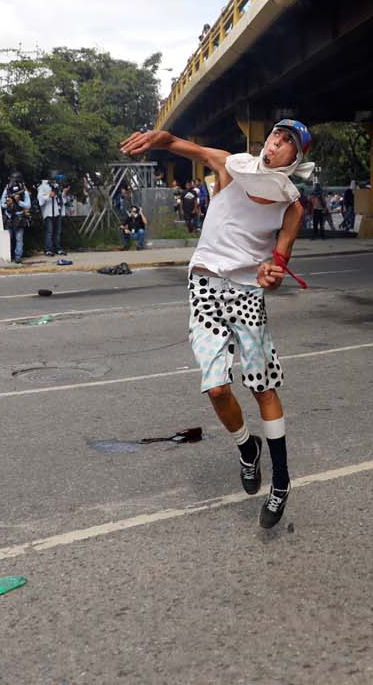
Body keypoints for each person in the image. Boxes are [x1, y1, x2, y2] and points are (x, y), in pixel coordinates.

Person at [119, 119, 314, 528]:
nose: (275, 144)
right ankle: (247, 448)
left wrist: (270, 274)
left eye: (287, 143)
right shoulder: (230, 166)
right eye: (275, 136)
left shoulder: (291, 207)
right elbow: (176, 141)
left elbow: (277, 266)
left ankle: (281, 482)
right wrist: (158, 140)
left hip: (247, 292)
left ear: (297, 158)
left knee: (262, 385)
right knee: (217, 386)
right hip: (205, 283)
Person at [0, 172, 31, 264]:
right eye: (13, 179)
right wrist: (7, 204)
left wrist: (19, 201)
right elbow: (1, 204)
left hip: (19, 217)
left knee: (19, 238)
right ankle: (7, 256)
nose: (14, 181)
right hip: (9, 216)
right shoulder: (7, 189)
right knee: (7, 238)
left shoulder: (23, 190)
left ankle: (18, 257)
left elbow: (28, 205)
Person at [38, 173, 69, 257]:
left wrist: (64, 194)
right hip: (48, 213)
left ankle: (57, 248)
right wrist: (48, 195)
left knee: (58, 231)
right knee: (49, 231)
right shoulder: (43, 187)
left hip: (57, 211)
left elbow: (63, 200)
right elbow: (40, 200)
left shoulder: (57, 186)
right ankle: (48, 249)